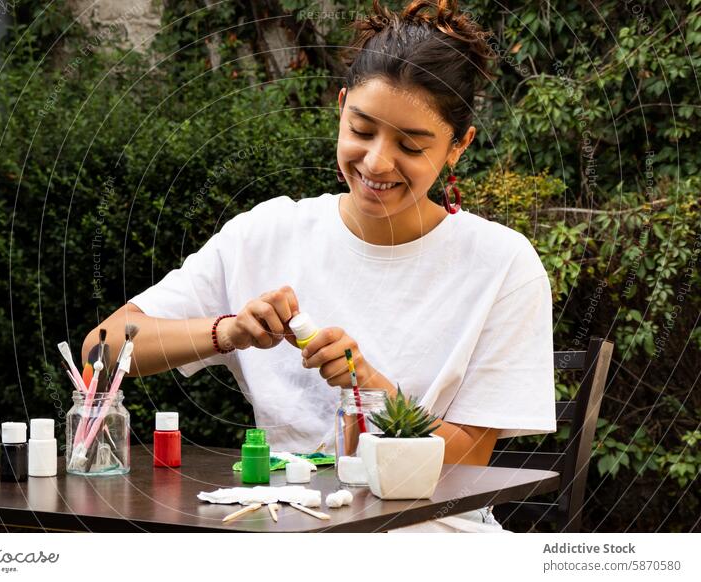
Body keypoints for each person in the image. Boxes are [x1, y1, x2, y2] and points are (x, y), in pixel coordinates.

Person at [83, 0, 556, 532]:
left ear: (457, 146)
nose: (377, 161)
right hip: (280, 528)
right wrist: (227, 331)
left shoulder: (501, 265)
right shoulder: (265, 234)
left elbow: (466, 466)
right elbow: (102, 349)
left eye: (410, 144)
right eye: (362, 129)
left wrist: (369, 386)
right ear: (340, 107)